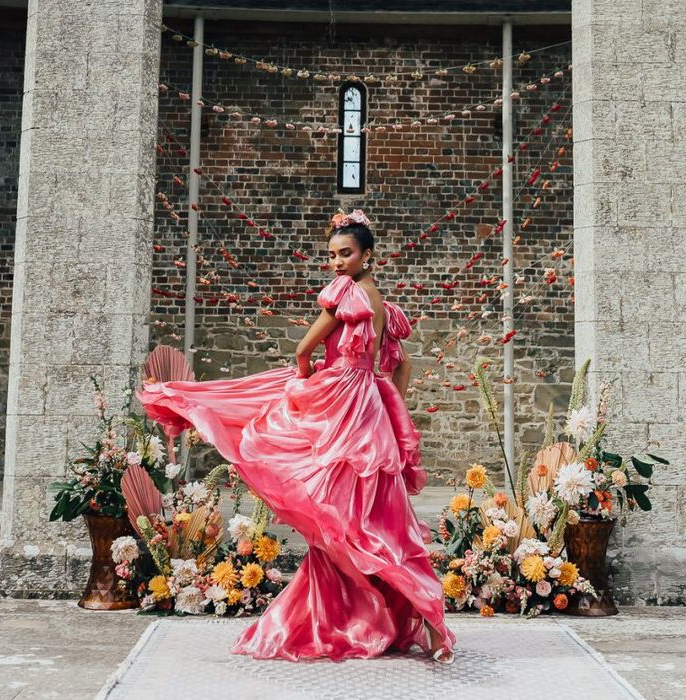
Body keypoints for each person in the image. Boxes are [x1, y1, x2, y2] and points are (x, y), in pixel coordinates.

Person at [135, 209, 456, 664]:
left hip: (341, 400)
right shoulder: (382, 301)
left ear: (368, 255)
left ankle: (356, 614)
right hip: (369, 408)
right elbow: (401, 364)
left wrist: (305, 383)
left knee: (333, 504)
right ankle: (418, 621)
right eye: (331, 256)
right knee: (378, 518)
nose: (337, 263)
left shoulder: (344, 295)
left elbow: (303, 349)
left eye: (346, 254)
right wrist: (389, 402)